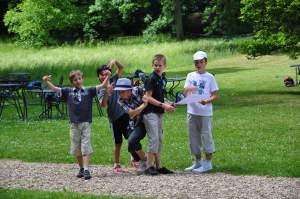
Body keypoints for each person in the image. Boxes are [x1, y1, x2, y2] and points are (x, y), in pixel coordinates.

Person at [42, 70, 110, 180]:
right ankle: (82, 168)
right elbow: (55, 89)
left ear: (82, 79)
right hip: (74, 124)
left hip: (85, 123)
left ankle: (87, 169)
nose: (78, 81)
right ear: (72, 82)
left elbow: (103, 85)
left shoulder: (89, 91)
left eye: (79, 79)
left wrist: (108, 76)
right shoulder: (68, 91)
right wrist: (46, 81)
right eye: (75, 80)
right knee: (76, 148)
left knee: (86, 145)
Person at [97, 59, 140, 173]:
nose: (104, 76)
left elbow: (121, 68)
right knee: (118, 143)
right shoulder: (100, 88)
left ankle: (135, 158)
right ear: (99, 77)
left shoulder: (114, 79)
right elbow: (103, 105)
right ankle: (117, 164)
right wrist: (107, 92)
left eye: (106, 73)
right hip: (114, 119)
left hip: (125, 115)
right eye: (102, 74)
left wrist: (114, 61)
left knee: (131, 137)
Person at [183, 50, 218, 173]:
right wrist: (188, 89)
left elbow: (214, 95)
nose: (198, 64)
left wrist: (206, 101)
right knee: (193, 137)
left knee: (206, 136)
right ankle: (197, 162)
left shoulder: (210, 77)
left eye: (201, 62)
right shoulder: (190, 75)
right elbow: (185, 93)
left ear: (206, 62)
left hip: (205, 112)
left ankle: (208, 162)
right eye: (196, 62)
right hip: (192, 111)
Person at [143, 54, 175, 175]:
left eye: (160, 65)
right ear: (152, 65)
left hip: (159, 112)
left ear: (164, 66)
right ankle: (148, 167)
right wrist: (163, 105)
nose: (157, 67)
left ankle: (159, 166)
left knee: (159, 139)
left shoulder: (161, 78)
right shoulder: (151, 78)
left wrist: (169, 103)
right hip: (150, 113)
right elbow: (147, 97)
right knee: (154, 139)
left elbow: (160, 96)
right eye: (155, 65)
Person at [114, 78, 148, 172]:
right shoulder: (120, 100)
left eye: (121, 91)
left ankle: (149, 164)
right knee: (131, 143)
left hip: (149, 118)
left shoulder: (139, 90)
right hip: (137, 122)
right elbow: (131, 113)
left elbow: (150, 97)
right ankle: (146, 162)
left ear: (129, 90)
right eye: (119, 91)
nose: (120, 94)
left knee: (133, 142)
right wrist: (143, 106)